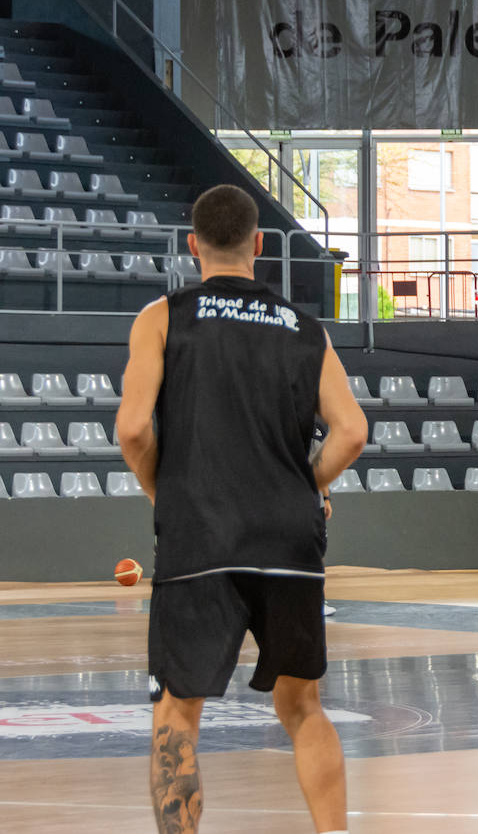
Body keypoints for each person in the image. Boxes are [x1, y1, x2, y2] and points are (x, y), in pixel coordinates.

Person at [117, 184, 368, 833]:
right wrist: (308, 487)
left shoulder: (163, 318)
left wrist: (162, 492)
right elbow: (351, 431)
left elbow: (134, 430)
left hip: (200, 538)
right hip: (289, 540)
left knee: (178, 712)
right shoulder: (303, 329)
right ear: (259, 245)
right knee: (304, 708)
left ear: (193, 245)